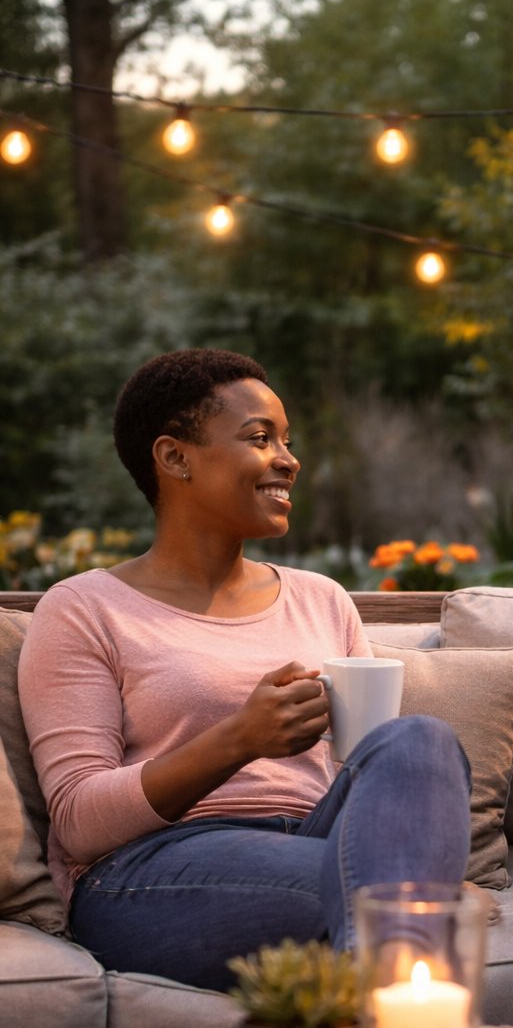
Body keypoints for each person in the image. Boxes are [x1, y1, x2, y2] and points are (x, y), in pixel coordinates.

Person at [19, 348, 472, 991]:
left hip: (317, 839)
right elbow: (79, 821)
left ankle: (371, 996)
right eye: (260, 439)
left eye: (287, 441)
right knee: (387, 894)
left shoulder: (323, 598)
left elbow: (373, 781)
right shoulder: (84, 609)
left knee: (420, 740)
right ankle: (407, 999)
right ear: (175, 457)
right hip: (155, 870)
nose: (288, 459)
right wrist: (240, 738)